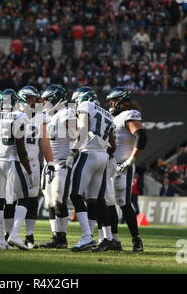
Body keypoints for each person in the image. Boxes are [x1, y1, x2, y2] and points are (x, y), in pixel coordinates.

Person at [0, 89, 34, 250]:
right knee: (24, 198)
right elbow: (21, 149)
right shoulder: (19, 116)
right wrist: (29, 171)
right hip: (11, 161)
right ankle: (15, 235)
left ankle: (1, 241)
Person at [67, 88, 116, 252]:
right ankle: (107, 238)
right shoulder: (108, 114)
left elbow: (82, 129)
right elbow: (113, 144)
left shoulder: (85, 105)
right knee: (95, 199)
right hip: (103, 157)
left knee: (74, 194)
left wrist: (73, 150)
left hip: (88, 154)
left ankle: (87, 236)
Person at [107, 87, 147, 252]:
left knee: (123, 203)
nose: (110, 104)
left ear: (122, 102)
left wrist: (131, 160)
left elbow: (142, 136)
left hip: (123, 165)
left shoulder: (129, 115)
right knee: (109, 203)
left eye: (113, 101)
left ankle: (136, 240)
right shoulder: (112, 117)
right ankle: (114, 240)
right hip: (110, 165)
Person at [15, 86, 55, 249]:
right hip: (15, 161)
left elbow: (44, 142)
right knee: (11, 199)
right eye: (30, 98)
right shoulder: (13, 114)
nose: (33, 102)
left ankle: (29, 236)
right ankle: (8, 234)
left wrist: (50, 162)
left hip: (32, 162)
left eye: (35, 99)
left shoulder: (41, 117)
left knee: (32, 200)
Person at [39, 85, 75, 249]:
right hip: (49, 165)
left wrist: (71, 157)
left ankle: (62, 237)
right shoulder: (48, 116)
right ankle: (56, 237)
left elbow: (77, 136)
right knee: (49, 202)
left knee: (58, 199)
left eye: (47, 99)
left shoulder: (66, 113)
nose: (44, 102)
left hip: (61, 162)